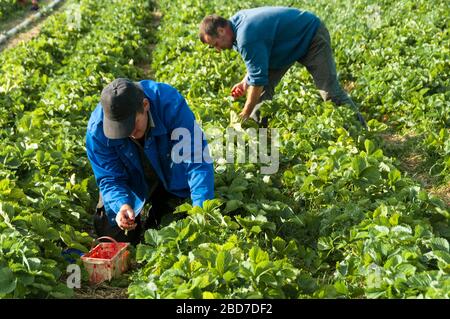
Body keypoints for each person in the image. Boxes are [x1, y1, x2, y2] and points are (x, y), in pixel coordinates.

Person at [86, 78, 214, 245]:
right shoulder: (97, 130)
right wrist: (121, 205)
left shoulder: (169, 104)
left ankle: (163, 204)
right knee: (117, 236)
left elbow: (196, 158)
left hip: (167, 172)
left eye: (132, 124)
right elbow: (110, 178)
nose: (129, 133)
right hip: (130, 177)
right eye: (120, 130)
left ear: (145, 105)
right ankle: (135, 211)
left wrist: (201, 211)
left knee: (173, 231)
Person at [199, 6, 367, 128]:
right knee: (263, 91)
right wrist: (245, 82)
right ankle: (258, 134)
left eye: (216, 44)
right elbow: (256, 64)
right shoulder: (234, 28)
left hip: (310, 36)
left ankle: (360, 129)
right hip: (284, 46)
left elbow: (257, 78)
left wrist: (245, 112)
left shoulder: (246, 35)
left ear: (221, 31)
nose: (218, 49)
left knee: (329, 91)